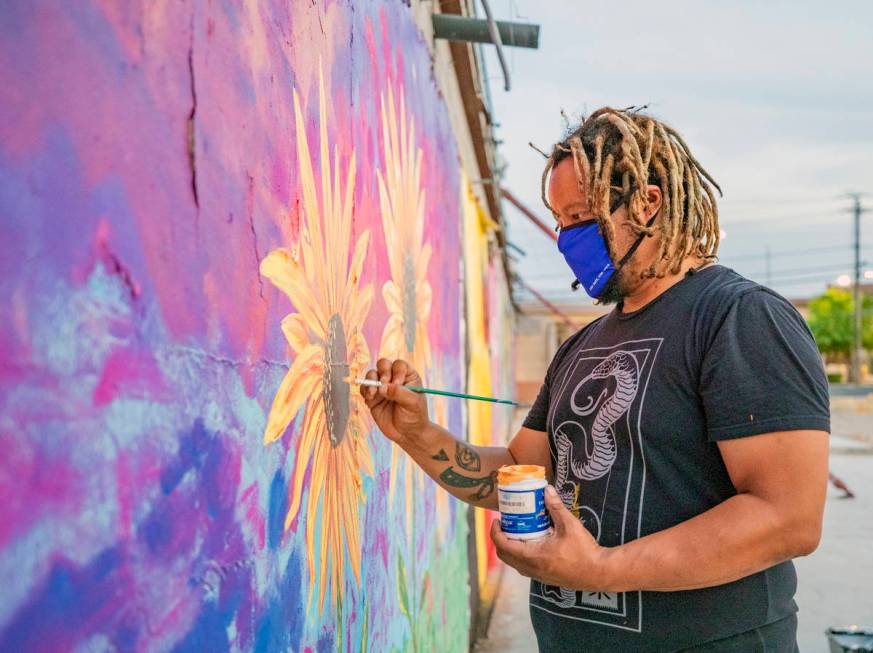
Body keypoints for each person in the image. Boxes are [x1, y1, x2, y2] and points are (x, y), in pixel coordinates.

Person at [361, 107, 829, 652]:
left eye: (581, 218)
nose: (565, 239)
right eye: (560, 222)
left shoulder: (738, 318)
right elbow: (519, 476)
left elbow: (787, 517)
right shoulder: (581, 346)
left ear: (648, 203)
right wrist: (418, 434)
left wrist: (603, 569)